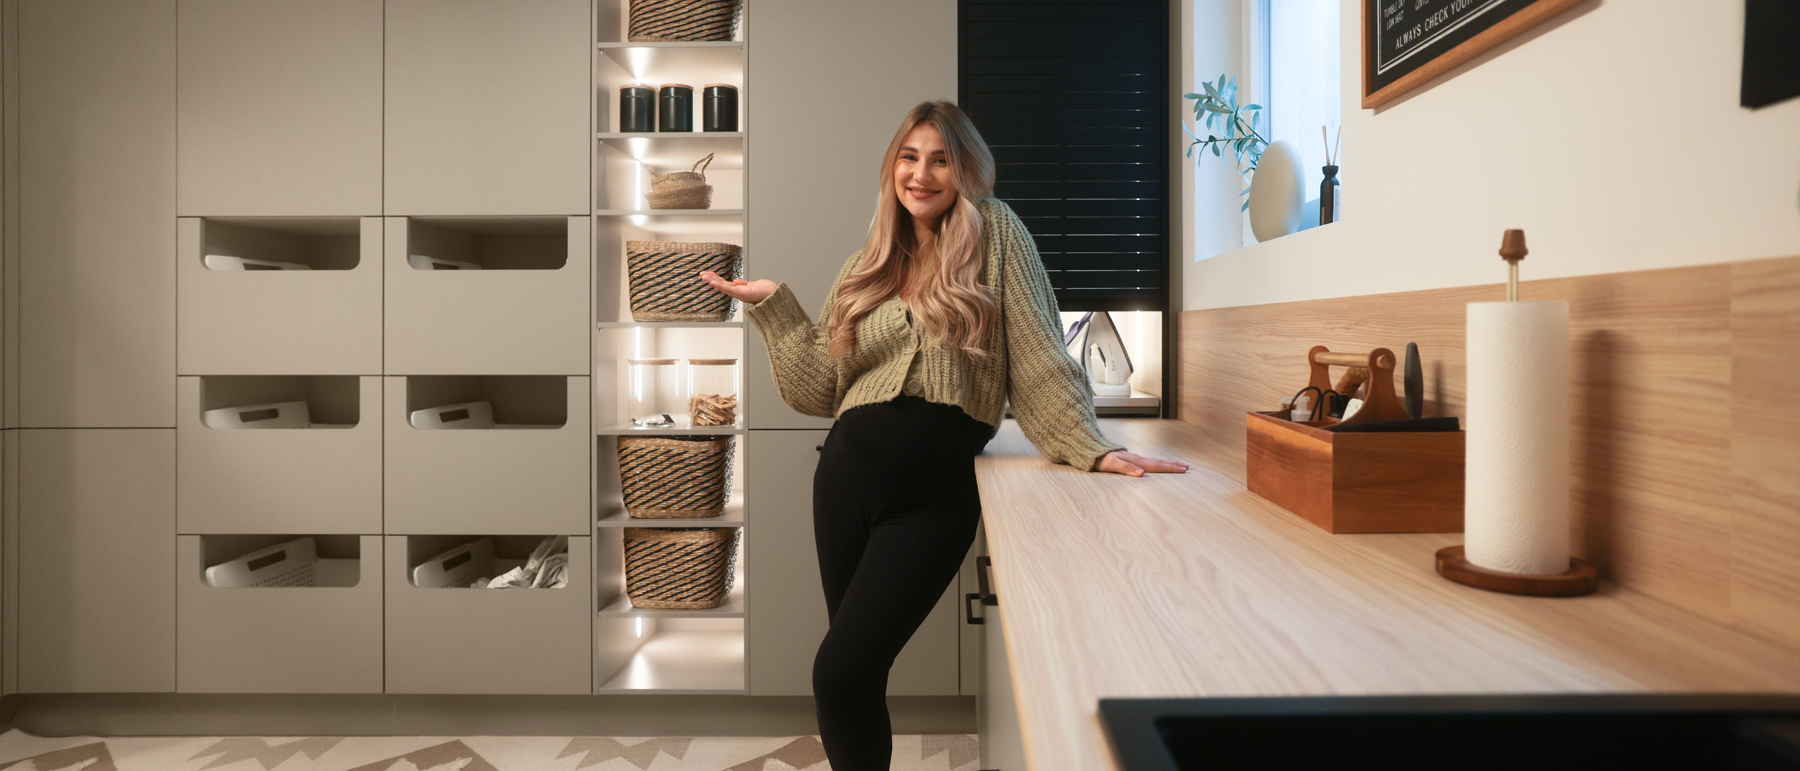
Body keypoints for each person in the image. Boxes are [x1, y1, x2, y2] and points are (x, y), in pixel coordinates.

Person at [699, 100, 1186, 770]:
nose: (921, 173)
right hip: (842, 484)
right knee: (856, 680)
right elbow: (817, 390)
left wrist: (1091, 445)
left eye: (940, 159)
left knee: (837, 673)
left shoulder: (997, 234)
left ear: (965, 171)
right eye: (909, 156)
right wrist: (775, 307)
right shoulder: (864, 266)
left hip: (931, 497)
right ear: (892, 167)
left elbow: (1041, 354)